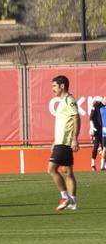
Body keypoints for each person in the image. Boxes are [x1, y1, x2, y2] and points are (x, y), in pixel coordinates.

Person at [49, 75, 80, 211]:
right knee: (68, 172)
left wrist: (75, 138)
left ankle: (65, 197)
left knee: (51, 169)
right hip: (60, 141)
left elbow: (76, 118)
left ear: (62, 86)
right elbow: (63, 123)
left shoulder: (69, 100)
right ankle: (73, 202)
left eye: (54, 86)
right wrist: (54, 141)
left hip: (64, 142)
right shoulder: (63, 101)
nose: (52, 89)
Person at [90, 99, 104, 171]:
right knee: (96, 145)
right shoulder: (96, 105)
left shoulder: (103, 107)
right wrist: (92, 127)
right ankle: (93, 164)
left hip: (103, 129)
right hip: (96, 129)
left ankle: (103, 165)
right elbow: (91, 117)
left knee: (104, 147)